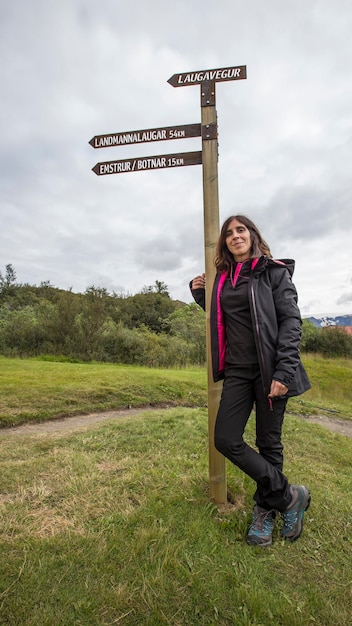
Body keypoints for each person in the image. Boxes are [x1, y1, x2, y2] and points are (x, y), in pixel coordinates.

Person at [190, 215, 311, 547]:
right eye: (229, 233)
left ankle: (264, 510)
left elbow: (290, 322)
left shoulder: (274, 273)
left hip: (271, 370)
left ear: (253, 235)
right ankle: (289, 497)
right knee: (226, 439)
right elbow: (224, 319)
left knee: (268, 443)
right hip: (238, 373)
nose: (234, 236)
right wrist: (201, 295)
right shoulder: (224, 280)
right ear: (225, 243)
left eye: (240, 230)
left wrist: (284, 372)